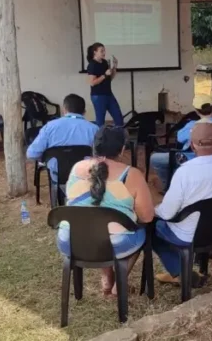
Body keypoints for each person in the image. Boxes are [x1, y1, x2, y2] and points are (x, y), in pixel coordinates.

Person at [57, 126, 155, 296]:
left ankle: (108, 279)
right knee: (135, 231)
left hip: (70, 241)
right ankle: (118, 285)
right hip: (112, 244)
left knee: (99, 226)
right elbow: (147, 217)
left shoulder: (76, 168)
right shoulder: (131, 175)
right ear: (122, 149)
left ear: (94, 146)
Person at [153, 120, 212, 284]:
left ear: (192, 145)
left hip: (187, 235)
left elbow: (167, 213)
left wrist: (154, 210)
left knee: (151, 228)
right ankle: (185, 272)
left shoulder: (184, 172)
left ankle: (180, 272)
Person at [26, 94, 99, 198]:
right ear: (84, 112)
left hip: (57, 174)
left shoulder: (49, 127)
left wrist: (44, 158)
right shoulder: (94, 129)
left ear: (64, 110)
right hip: (85, 174)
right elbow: (100, 155)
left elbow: (31, 154)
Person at [150, 94, 212, 189]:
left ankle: (169, 186)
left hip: (189, 158)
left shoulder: (193, 125)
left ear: (196, 110)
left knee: (154, 158)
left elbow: (179, 138)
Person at [86, 42, 124, 127]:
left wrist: (114, 67)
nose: (104, 53)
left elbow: (110, 78)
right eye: (101, 51)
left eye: (104, 51)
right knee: (100, 121)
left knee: (119, 118)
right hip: (98, 96)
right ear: (95, 52)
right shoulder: (92, 65)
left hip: (108, 94)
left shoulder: (104, 62)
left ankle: (119, 135)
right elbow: (92, 83)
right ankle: (99, 135)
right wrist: (104, 75)